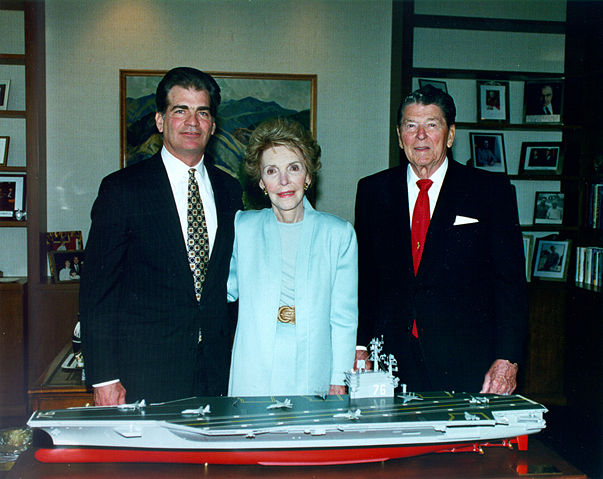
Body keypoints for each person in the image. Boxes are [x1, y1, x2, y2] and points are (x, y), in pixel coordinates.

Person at [80, 67, 243, 405]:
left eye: (202, 112)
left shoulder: (230, 191)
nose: (192, 122)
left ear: (213, 125)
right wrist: (104, 377)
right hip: (143, 374)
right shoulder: (122, 189)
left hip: (217, 372)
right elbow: (98, 291)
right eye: (180, 110)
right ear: (160, 120)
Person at [354, 85, 528, 395]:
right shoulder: (372, 192)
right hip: (391, 362)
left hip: (467, 361)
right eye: (411, 125)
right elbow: (365, 282)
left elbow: (510, 283)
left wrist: (508, 358)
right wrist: (359, 345)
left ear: (449, 135)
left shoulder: (490, 191)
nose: (420, 135)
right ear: (399, 136)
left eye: (432, 124)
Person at [227, 117, 358, 396]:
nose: (284, 181)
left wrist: (339, 378)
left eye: (294, 168)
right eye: (272, 171)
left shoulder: (338, 234)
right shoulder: (243, 227)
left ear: (308, 176)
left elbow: (344, 317)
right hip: (253, 367)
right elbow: (221, 291)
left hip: (314, 367)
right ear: (261, 182)